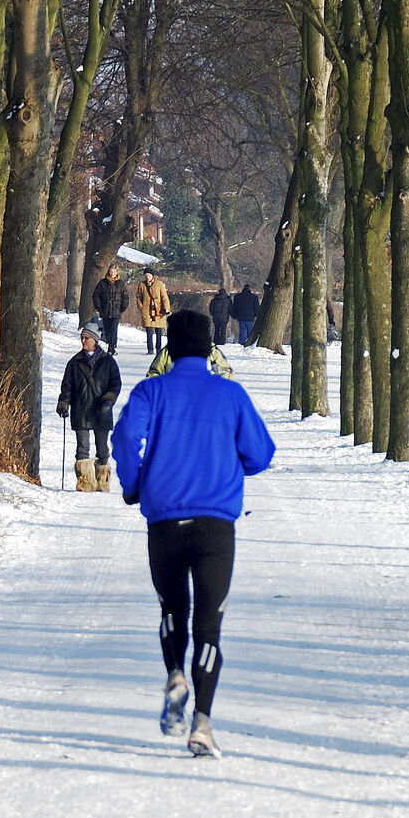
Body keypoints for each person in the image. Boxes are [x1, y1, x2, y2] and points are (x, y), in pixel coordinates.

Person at [112, 307, 275, 759]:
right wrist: (226, 463)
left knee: (172, 608)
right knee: (209, 622)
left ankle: (174, 676)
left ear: (170, 348)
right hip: (215, 526)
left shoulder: (151, 391)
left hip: (163, 521)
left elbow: (124, 438)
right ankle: (202, 722)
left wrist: (135, 484)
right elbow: (261, 454)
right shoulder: (231, 395)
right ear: (208, 348)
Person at [57, 321, 121, 491]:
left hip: (102, 410)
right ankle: (85, 482)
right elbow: (67, 386)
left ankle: (101, 480)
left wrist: (108, 400)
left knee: (102, 449)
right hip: (81, 410)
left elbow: (116, 384)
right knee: (82, 449)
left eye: (86, 338)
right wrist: (64, 403)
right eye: (82, 338)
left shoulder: (108, 362)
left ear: (95, 340)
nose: (83, 341)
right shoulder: (74, 363)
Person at [133, 267, 171, 358]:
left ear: (152, 276)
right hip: (147, 310)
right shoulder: (142, 285)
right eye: (145, 275)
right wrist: (141, 307)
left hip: (158, 311)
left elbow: (164, 297)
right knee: (149, 330)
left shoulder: (159, 284)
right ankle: (150, 349)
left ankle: (158, 348)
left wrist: (166, 308)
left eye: (149, 275)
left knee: (159, 331)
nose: (147, 277)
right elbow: (138, 297)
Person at [92, 263, 129, 351]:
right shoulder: (102, 283)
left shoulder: (121, 284)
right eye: (110, 271)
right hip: (105, 310)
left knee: (113, 329)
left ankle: (112, 347)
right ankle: (110, 343)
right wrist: (99, 307)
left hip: (116, 310)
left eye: (114, 271)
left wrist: (123, 307)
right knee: (107, 330)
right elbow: (96, 295)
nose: (112, 273)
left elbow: (125, 297)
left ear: (117, 272)